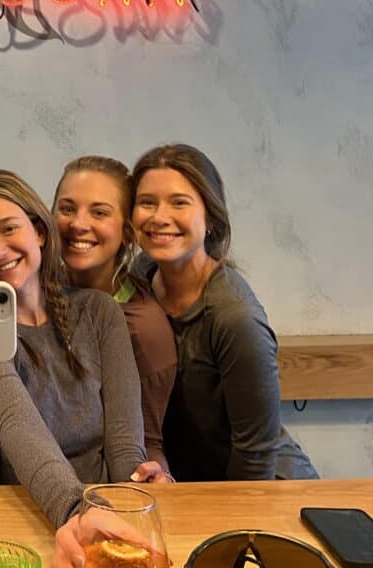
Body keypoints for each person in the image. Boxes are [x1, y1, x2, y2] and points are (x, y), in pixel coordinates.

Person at [0, 169, 164, 529]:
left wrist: (139, 485)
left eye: (9, 228)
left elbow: (124, 441)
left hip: (105, 509)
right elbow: (18, 427)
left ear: (39, 231)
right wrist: (79, 513)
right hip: (28, 515)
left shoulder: (99, 311)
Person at [129, 143, 317, 481]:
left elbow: (255, 458)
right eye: (147, 202)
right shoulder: (140, 277)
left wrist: (231, 511)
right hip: (195, 486)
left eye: (179, 202)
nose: (159, 217)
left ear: (211, 220)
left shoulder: (234, 316)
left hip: (264, 488)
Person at [52, 156, 177, 470]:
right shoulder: (37, 290)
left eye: (99, 212)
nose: (79, 224)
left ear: (127, 232)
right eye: (67, 209)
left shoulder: (142, 329)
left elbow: (146, 442)